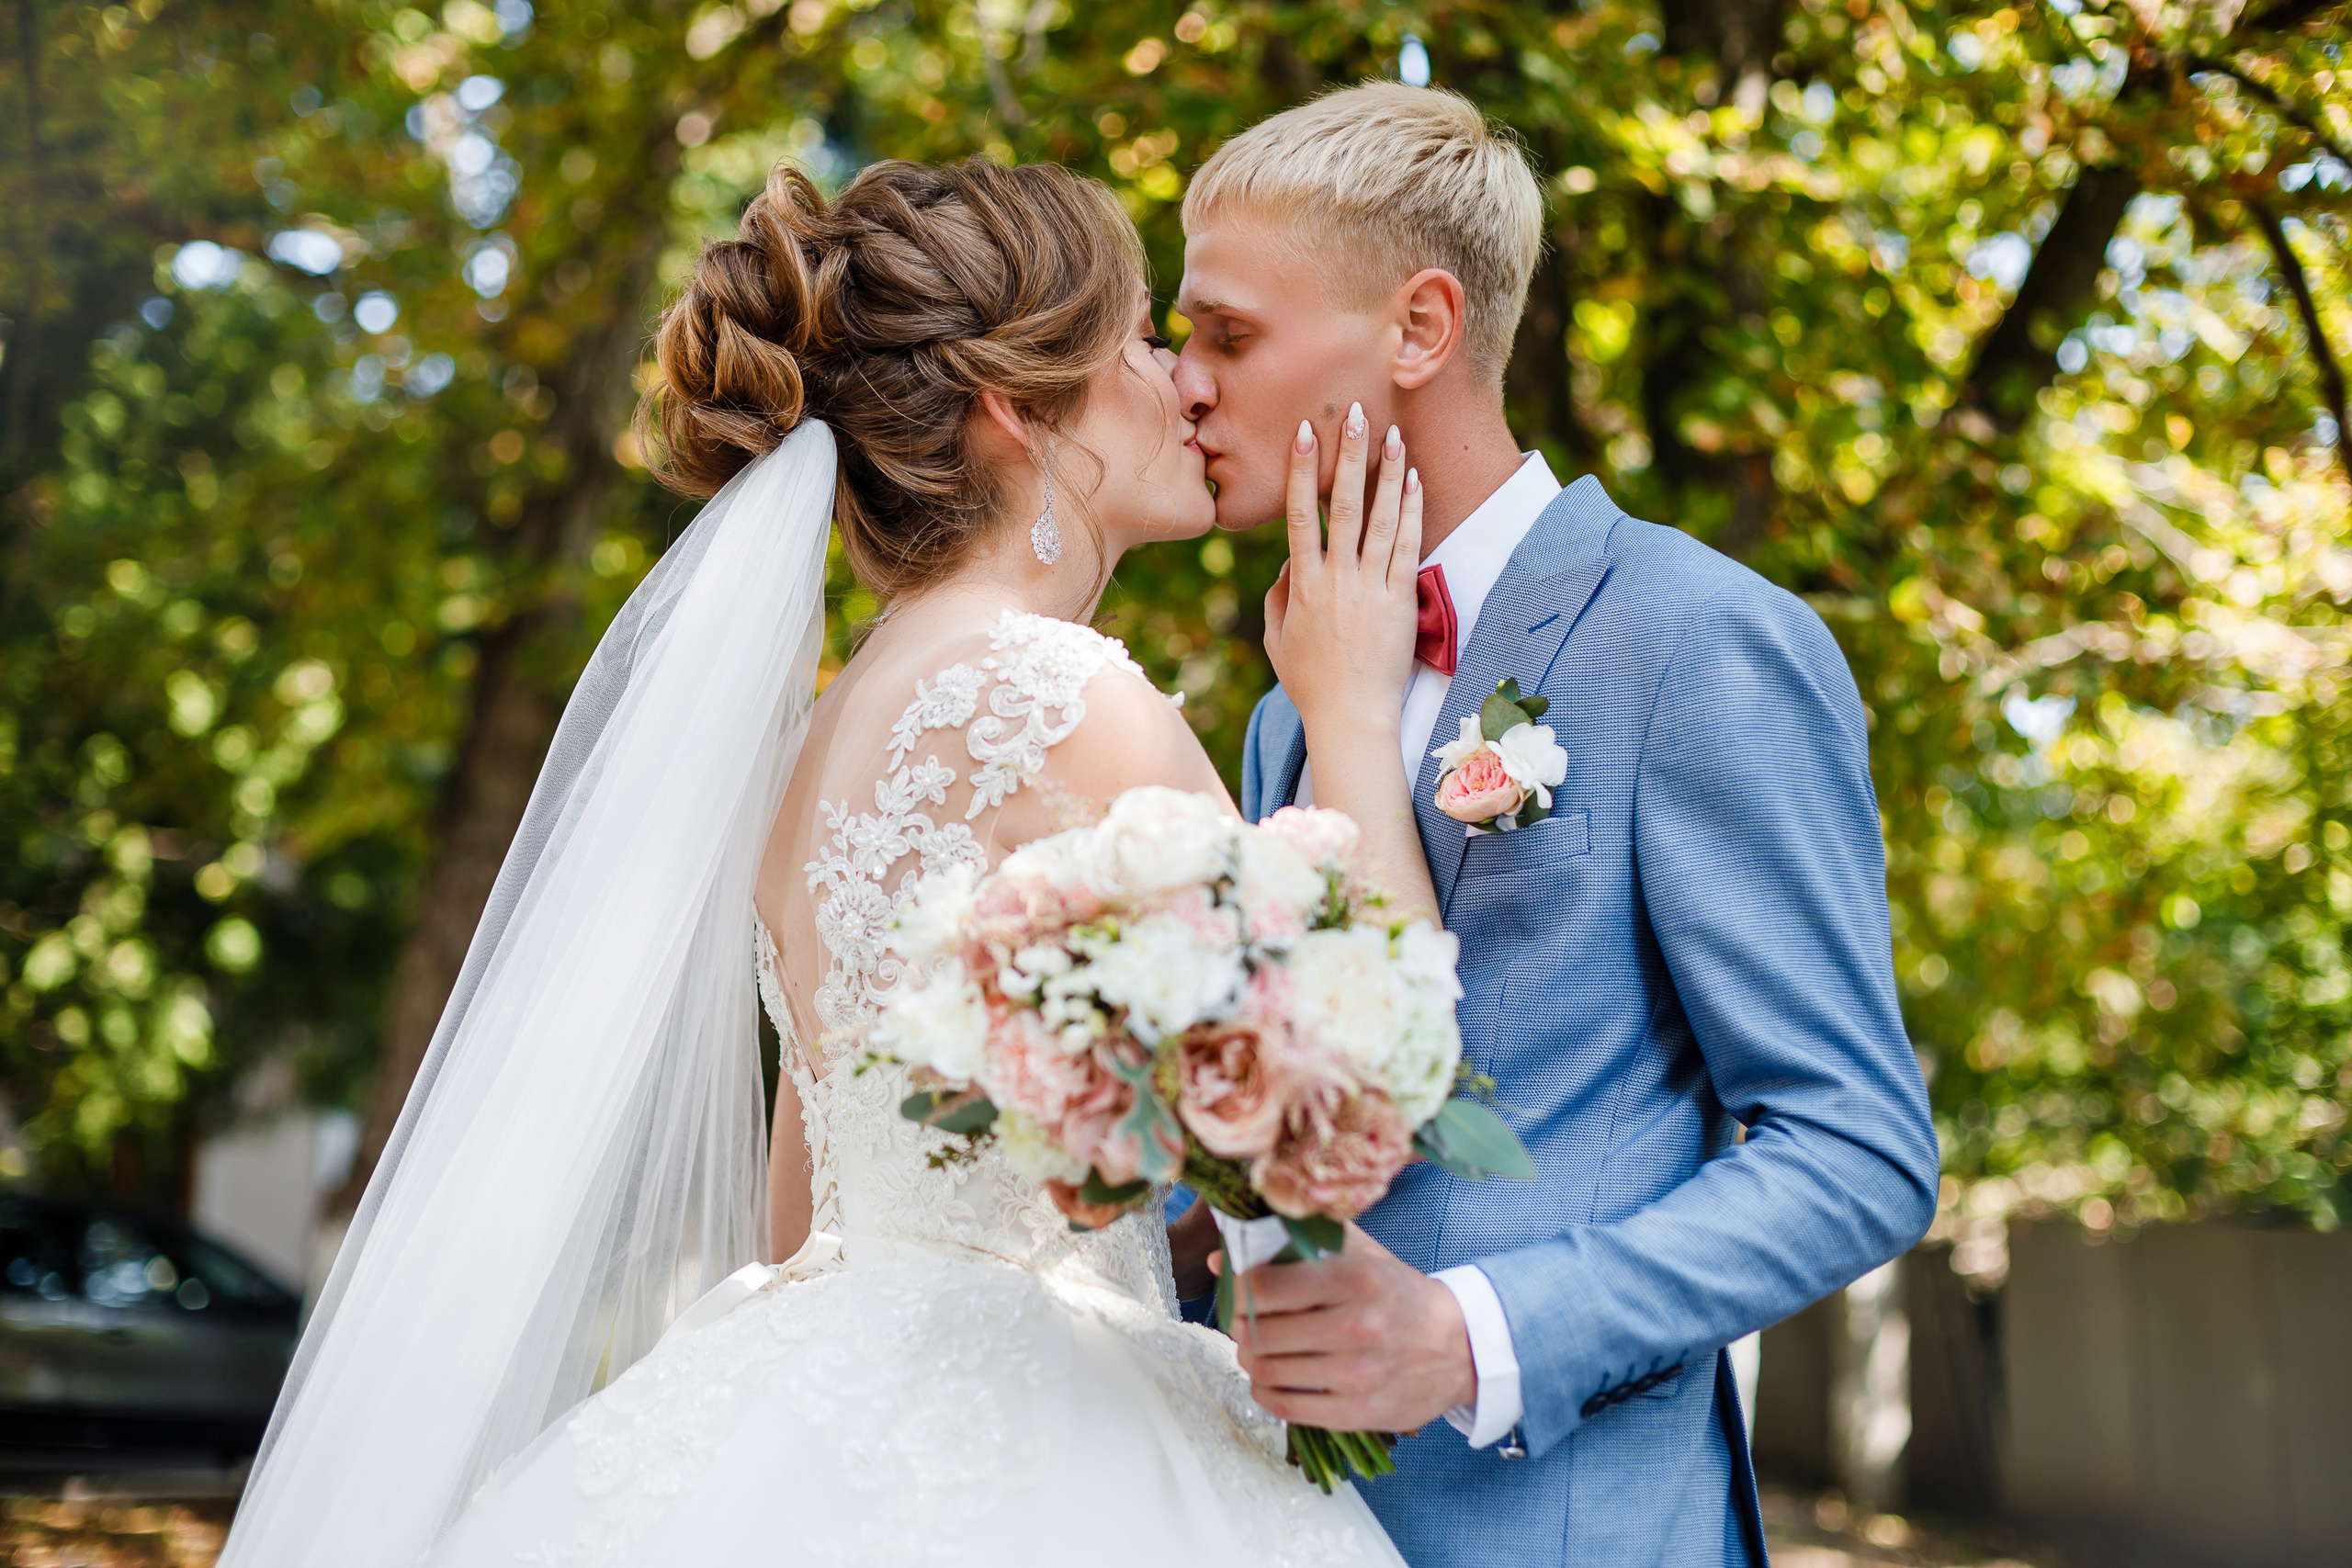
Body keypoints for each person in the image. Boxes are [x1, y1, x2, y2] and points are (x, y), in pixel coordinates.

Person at [219, 159, 1432, 1568]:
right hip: (1033, 1430)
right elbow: (1368, 1054)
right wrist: (1348, 706)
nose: (1182, 382)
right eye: (1144, 340)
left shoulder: (821, 737)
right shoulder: (1064, 700)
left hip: (804, 1364)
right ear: (1014, 407)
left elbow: (811, 1204)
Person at [1177, 84, 1940, 1567]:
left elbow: (1858, 1150)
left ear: (1419, 329)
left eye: (1229, 335)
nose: (1185, 382)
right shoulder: (1291, 697)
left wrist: (1471, 1336)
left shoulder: (1699, 639)